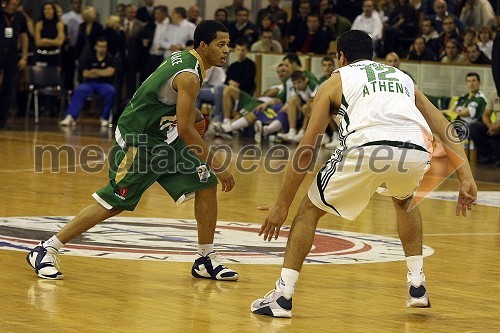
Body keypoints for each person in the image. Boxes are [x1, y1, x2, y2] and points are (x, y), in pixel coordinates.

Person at [250, 29, 477, 318]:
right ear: (372, 56)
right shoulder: (401, 77)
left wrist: (282, 203)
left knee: (308, 210)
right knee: (405, 200)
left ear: (340, 57)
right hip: (417, 148)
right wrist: (465, 176)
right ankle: (417, 284)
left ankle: (283, 296)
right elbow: (444, 126)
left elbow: (307, 147)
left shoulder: (337, 78)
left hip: (368, 147)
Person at [27, 20, 239, 282]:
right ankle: (45, 249)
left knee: (206, 182)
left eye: (227, 44)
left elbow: (170, 107)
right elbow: (186, 130)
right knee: (114, 202)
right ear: (204, 46)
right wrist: (218, 163)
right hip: (138, 141)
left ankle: (205, 259)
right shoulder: (189, 75)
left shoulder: (186, 59)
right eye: (220, 44)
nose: (226, 50)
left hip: (163, 138)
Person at [59, 37, 117, 127]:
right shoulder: (88, 57)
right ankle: (71, 116)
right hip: (89, 83)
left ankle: (105, 117)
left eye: (104, 47)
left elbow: (110, 72)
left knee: (111, 91)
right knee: (79, 90)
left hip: (104, 84)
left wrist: (95, 71)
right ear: (95, 47)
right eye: (100, 46)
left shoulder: (110, 58)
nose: (102, 49)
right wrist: (102, 72)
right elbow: (85, 74)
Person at [0, 0, 28, 129]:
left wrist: (24, 56)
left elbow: (24, 36)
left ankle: (3, 118)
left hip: (12, 55)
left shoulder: (20, 17)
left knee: (8, 86)